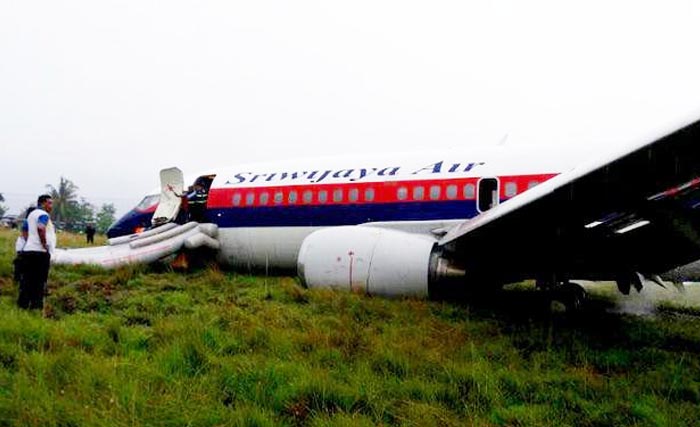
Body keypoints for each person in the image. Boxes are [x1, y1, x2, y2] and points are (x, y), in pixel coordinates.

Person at [18, 195, 56, 310]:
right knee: (39, 281)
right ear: (43, 203)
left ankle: (23, 304)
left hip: (28, 251)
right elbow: (40, 227)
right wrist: (44, 244)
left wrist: (29, 241)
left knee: (27, 279)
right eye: (49, 203)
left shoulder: (31, 214)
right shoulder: (43, 215)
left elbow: (24, 229)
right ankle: (36, 306)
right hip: (40, 252)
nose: (51, 206)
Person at [13, 207, 34, 284]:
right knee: (21, 262)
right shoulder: (28, 221)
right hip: (24, 244)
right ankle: (18, 279)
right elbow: (25, 234)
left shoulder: (28, 221)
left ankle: (18, 279)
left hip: (22, 244)